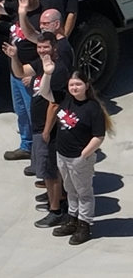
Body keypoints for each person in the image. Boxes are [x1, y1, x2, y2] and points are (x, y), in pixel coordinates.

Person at [3, 29, 71, 229]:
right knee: (49, 171)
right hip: (40, 127)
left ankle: (56, 211)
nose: (42, 50)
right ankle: (56, 199)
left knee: (50, 172)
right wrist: (14, 57)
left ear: (54, 47)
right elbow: (20, 72)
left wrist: (46, 131)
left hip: (48, 129)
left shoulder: (58, 70)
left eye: (46, 47)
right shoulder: (43, 64)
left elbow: (54, 105)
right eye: (39, 47)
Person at [41, 64, 113, 245]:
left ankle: (84, 226)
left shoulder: (93, 108)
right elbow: (44, 92)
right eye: (71, 84)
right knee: (70, 190)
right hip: (62, 155)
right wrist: (47, 73)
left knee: (84, 193)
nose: (74, 88)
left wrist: (83, 156)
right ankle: (72, 220)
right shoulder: (66, 99)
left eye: (78, 84)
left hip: (79, 159)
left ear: (86, 86)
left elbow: (98, 137)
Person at [0, 0, 47, 162]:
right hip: (15, 69)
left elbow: (36, 39)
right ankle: (26, 146)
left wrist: (22, 15)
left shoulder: (42, 15)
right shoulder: (16, 6)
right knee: (20, 111)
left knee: (33, 113)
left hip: (31, 71)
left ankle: (40, 151)